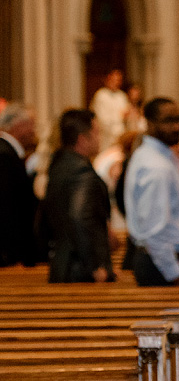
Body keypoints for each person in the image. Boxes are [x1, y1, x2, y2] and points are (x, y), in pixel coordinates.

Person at [125, 97, 179, 286]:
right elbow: (153, 229)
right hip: (160, 263)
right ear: (149, 123)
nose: (175, 127)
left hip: (161, 260)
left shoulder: (160, 156)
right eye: (168, 121)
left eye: (177, 120)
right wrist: (174, 272)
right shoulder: (155, 165)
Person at [39, 109, 115, 283]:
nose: (99, 138)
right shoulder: (81, 171)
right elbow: (78, 217)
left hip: (62, 263)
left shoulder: (58, 166)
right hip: (79, 269)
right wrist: (94, 266)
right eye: (96, 133)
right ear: (82, 139)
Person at [0, 102, 41, 267]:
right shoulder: (4, 155)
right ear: (18, 125)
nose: (34, 131)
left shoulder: (9, 152)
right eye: (31, 125)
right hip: (9, 255)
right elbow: (6, 208)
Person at [90, 69, 133, 148]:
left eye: (119, 80)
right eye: (114, 80)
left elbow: (127, 114)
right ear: (107, 79)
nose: (116, 83)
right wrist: (120, 116)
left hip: (122, 134)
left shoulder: (122, 95)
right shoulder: (101, 95)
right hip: (107, 136)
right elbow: (101, 118)